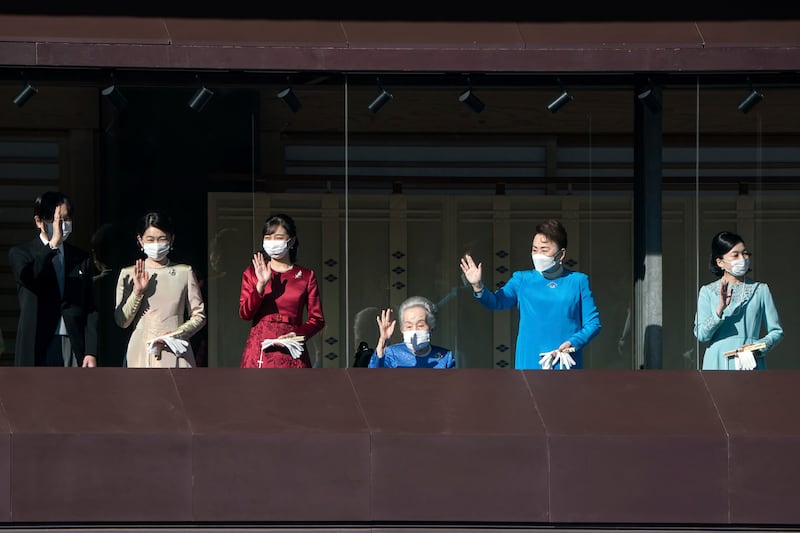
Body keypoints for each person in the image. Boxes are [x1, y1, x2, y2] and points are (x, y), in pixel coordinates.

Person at [460, 218, 601, 370]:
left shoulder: (578, 281)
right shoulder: (522, 279)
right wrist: (477, 285)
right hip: (529, 362)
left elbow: (593, 323)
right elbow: (496, 302)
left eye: (544, 250)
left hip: (565, 361)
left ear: (561, 255)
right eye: (535, 249)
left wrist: (572, 343)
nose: (538, 254)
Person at [8, 191, 98, 367]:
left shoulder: (80, 258)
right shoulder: (21, 254)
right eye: (54, 220)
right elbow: (30, 278)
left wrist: (91, 350)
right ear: (38, 221)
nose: (60, 225)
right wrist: (51, 246)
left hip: (72, 340)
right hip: (38, 340)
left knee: (74, 393)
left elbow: (91, 306)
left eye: (65, 219)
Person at [115, 211, 207, 368]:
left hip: (175, 348)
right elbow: (122, 321)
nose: (156, 244)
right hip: (141, 350)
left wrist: (175, 334)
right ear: (140, 240)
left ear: (171, 239)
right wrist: (138, 292)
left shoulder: (184, 272)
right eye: (150, 239)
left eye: (162, 239)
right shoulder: (129, 274)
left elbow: (199, 316)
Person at [239, 213, 325, 368]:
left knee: (293, 391)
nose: (272, 242)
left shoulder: (306, 276)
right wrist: (261, 285)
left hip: (291, 346)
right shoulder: (252, 273)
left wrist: (297, 335)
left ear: (291, 241)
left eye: (278, 238)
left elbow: (317, 320)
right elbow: (245, 314)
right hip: (260, 346)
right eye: (268, 237)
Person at [694, 231, 783, 370]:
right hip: (717, 362)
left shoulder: (760, 289)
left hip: (749, 360)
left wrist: (757, 347)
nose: (742, 258)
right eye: (735, 255)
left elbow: (776, 331)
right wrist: (719, 310)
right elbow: (701, 335)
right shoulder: (707, 291)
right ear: (720, 262)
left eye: (745, 253)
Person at [368, 295, 456, 368]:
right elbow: (372, 379)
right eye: (409, 326)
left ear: (431, 328)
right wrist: (382, 342)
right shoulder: (391, 354)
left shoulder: (445, 356)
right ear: (402, 329)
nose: (414, 330)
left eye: (420, 325)